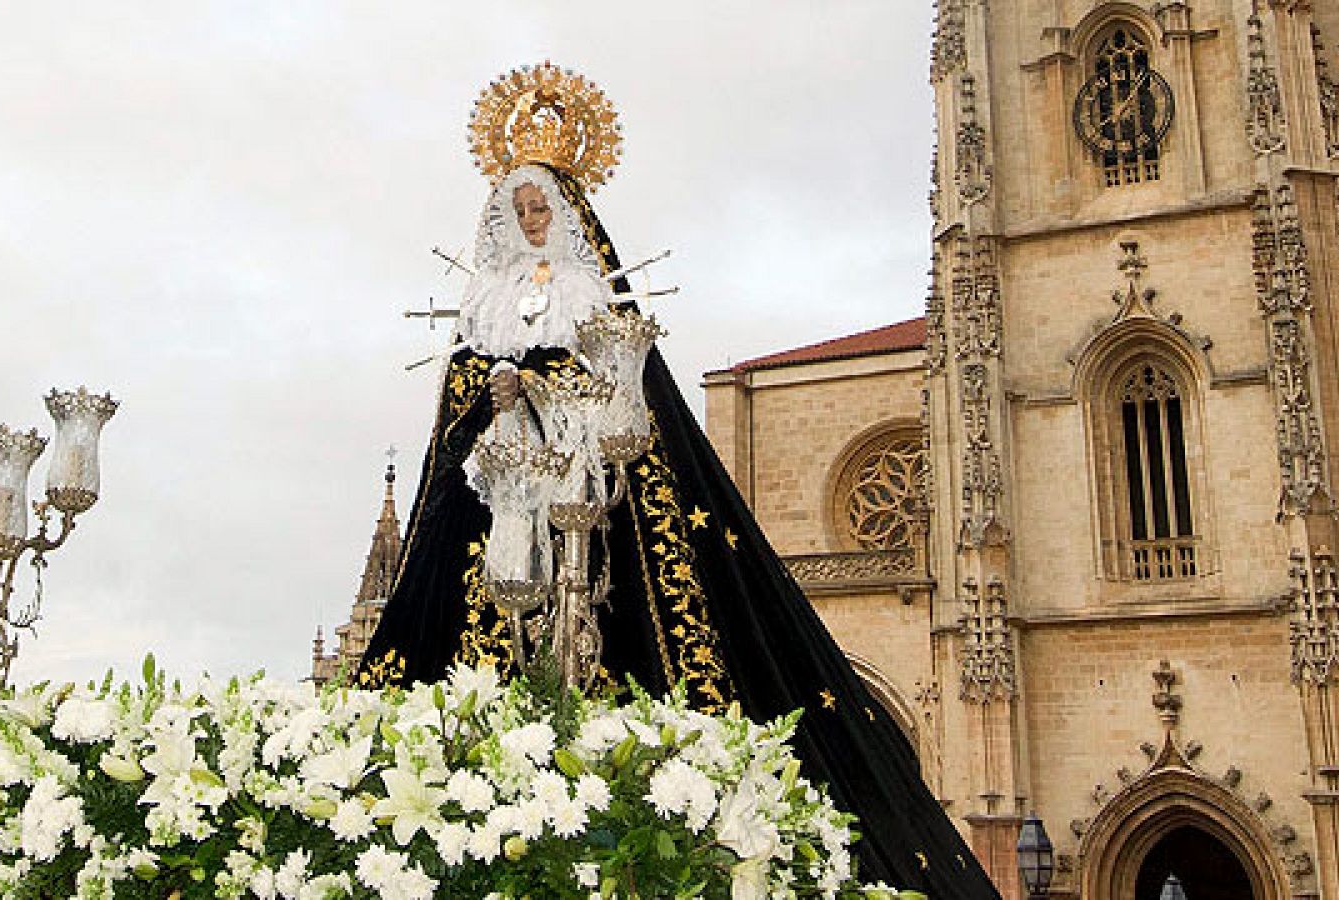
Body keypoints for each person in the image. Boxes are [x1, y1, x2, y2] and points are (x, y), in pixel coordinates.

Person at [359, 67, 1001, 899]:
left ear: (571, 216)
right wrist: (490, 401)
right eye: (518, 209)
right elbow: (453, 422)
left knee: (628, 626)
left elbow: (626, 395)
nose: (530, 219)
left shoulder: (593, 294)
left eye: (543, 206)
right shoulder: (483, 307)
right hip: (492, 509)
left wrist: (552, 392)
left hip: (588, 499)